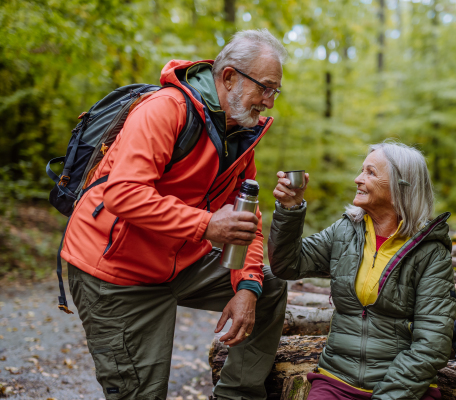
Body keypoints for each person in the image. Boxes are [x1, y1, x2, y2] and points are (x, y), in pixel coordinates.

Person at [60, 29, 288, 400]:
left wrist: (246, 286)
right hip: (116, 272)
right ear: (229, 77)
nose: (269, 102)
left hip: (178, 260)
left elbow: (249, 220)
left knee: (266, 286)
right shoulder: (166, 109)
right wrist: (207, 224)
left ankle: (236, 395)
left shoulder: (239, 135)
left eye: (274, 91)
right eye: (265, 88)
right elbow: (123, 194)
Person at [268, 141, 456, 400]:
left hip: (401, 388)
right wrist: (290, 209)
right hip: (336, 380)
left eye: (370, 172)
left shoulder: (431, 251)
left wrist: (387, 396)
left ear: (400, 186)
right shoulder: (345, 231)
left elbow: (432, 345)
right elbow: (287, 264)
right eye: (361, 171)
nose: (358, 179)